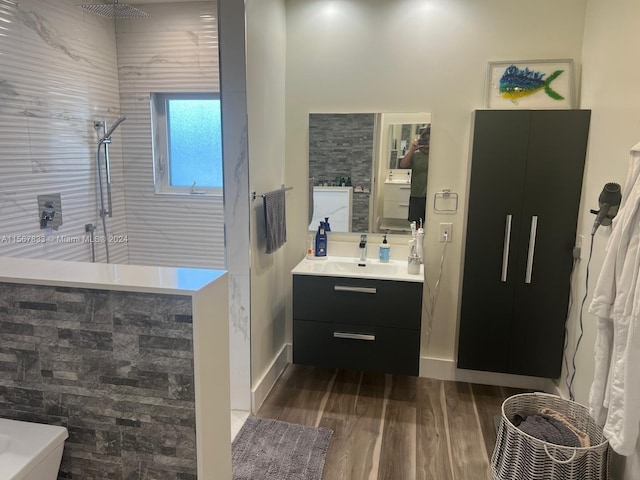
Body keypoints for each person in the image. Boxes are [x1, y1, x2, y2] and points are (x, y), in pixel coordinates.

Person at [399, 126, 429, 224]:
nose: (427, 143)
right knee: (416, 226)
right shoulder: (416, 155)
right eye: (425, 140)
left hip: (431, 196)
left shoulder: (437, 155)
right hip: (417, 195)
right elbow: (403, 165)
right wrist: (412, 149)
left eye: (429, 140)